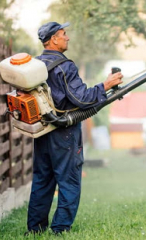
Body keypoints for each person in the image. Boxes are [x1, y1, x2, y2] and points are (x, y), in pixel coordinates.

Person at [26, 21, 123, 235]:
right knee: (69, 180)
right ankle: (60, 229)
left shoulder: (35, 65)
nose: (67, 37)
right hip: (64, 133)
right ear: (53, 39)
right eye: (63, 34)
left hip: (42, 131)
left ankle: (35, 229)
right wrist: (106, 85)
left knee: (42, 179)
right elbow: (82, 99)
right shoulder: (64, 65)